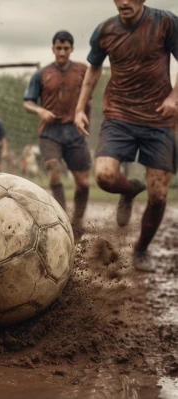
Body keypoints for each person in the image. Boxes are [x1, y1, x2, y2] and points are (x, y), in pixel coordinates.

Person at [75, 0, 178, 271]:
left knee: (158, 196)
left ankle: (141, 251)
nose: (123, 2)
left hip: (159, 119)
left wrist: (174, 96)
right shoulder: (105, 30)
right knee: (105, 176)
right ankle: (130, 190)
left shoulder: (165, 22)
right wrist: (79, 109)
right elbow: (94, 69)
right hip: (119, 116)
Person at [23, 31, 91, 235]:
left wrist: (83, 118)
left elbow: (88, 99)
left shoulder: (82, 71)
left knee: (84, 182)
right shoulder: (42, 74)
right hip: (50, 131)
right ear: (53, 49)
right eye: (58, 48)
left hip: (74, 129)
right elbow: (27, 102)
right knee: (53, 169)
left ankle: (77, 223)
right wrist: (40, 110)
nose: (62, 52)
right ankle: (62, 219)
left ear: (72, 49)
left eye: (66, 48)